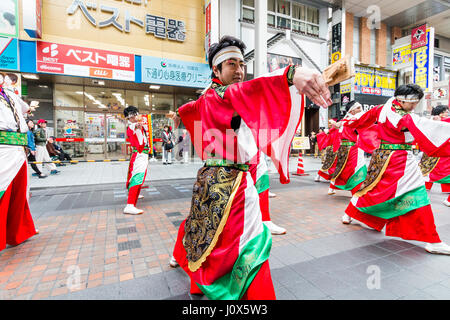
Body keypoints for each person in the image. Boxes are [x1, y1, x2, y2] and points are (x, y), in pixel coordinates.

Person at [167, 35, 332, 300]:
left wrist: (181, 112)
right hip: (234, 183)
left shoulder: (208, 97)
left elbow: (191, 109)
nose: (240, 70)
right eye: (231, 64)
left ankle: (195, 277)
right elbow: (257, 89)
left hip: (209, 178)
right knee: (252, 240)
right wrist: (292, 73)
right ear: (216, 69)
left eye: (242, 64)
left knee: (202, 229)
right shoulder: (226, 94)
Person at [342, 84, 450, 255]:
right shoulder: (403, 116)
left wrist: (346, 120)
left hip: (382, 157)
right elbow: (427, 127)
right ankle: (432, 240)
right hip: (400, 159)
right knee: (417, 193)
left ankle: (350, 213)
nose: (414, 106)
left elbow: (359, 120)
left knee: (373, 190)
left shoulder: (381, 109)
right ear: (401, 100)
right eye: (413, 102)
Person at [0, 81, 38, 251]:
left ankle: (18, 232)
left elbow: (25, 109)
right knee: (4, 190)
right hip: (3, 147)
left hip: (18, 147)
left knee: (19, 191)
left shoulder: (9, 93)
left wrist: (31, 107)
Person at [327, 101, 368, 200]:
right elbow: (337, 126)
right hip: (351, 148)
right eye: (358, 108)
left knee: (345, 168)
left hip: (350, 147)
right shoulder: (351, 119)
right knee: (352, 168)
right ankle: (356, 192)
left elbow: (337, 125)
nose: (360, 109)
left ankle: (333, 188)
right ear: (352, 110)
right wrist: (333, 123)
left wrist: (333, 123)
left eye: (360, 107)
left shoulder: (354, 118)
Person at [419, 105, 450, 207]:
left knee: (430, 172)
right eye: (446, 112)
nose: (447, 113)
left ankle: (425, 188)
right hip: (437, 153)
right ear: (440, 113)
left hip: (437, 153)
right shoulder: (436, 121)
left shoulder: (435, 121)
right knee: (435, 171)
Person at [124, 106, 149, 215]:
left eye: (136, 114)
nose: (135, 116)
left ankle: (135, 196)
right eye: (132, 115)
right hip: (139, 155)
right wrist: (137, 124)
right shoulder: (132, 126)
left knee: (140, 177)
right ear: (128, 117)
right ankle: (129, 205)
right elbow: (134, 127)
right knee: (137, 178)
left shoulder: (139, 125)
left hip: (143, 155)